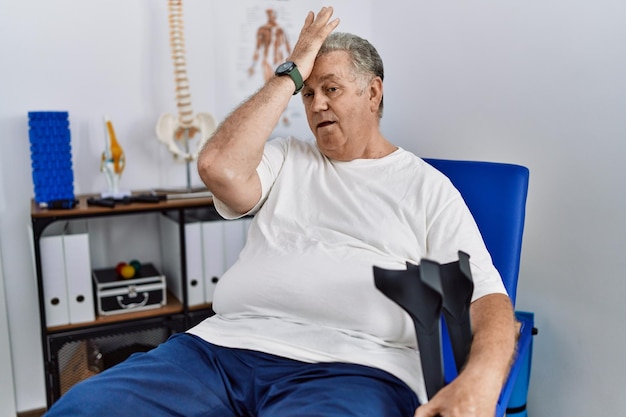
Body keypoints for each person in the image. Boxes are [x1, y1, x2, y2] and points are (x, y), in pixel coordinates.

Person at [45, 7, 516, 417]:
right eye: (308, 94)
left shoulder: (427, 189)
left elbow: (488, 301)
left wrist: (481, 381)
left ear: (373, 94)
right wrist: (291, 71)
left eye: (330, 88)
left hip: (355, 369)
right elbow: (216, 166)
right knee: (82, 408)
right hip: (217, 352)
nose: (317, 104)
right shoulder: (287, 157)